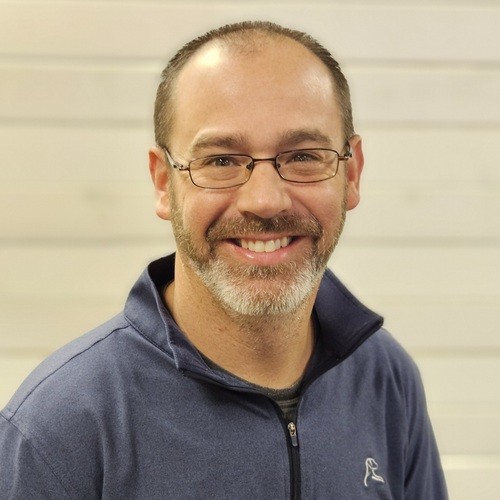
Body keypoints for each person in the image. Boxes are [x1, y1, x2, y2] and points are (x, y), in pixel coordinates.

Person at [0, 20, 447, 499]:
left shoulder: (384, 379)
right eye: (220, 161)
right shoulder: (58, 429)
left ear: (351, 173)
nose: (265, 201)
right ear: (163, 183)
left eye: (303, 156)